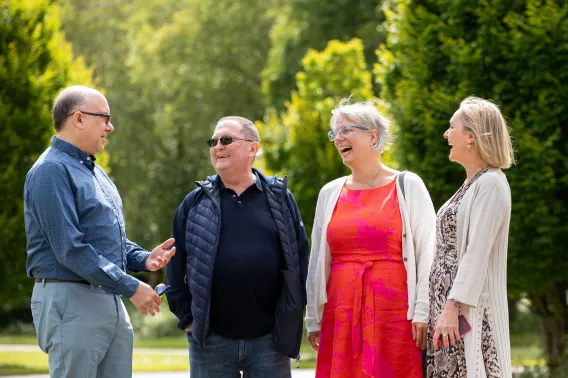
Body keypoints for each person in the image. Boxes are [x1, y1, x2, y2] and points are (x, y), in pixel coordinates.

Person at [24, 85, 176, 378]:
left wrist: (144, 259)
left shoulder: (94, 171)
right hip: (71, 296)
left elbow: (105, 239)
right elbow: (71, 248)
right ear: (78, 118)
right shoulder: (50, 171)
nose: (111, 126)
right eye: (104, 117)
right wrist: (131, 286)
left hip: (108, 296)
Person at [166, 116, 309, 378]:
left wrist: (291, 314)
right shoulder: (194, 202)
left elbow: (299, 258)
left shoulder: (279, 198)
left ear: (253, 148)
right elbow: (176, 263)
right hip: (210, 340)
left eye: (227, 140)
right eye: (214, 141)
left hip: (270, 339)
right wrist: (187, 318)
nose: (218, 146)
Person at [305, 99, 437, 378]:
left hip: (395, 314)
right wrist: (313, 317)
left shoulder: (407, 184)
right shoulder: (329, 193)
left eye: (345, 130)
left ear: (372, 136)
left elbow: (428, 250)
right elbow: (317, 259)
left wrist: (423, 309)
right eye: (334, 133)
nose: (337, 138)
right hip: (341, 313)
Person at [426, 97, 514, 378]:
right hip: (449, 313)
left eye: (452, 127)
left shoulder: (490, 184)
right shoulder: (472, 183)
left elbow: (476, 253)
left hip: (467, 314)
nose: (446, 134)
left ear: (472, 138)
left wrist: (452, 307)